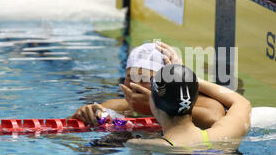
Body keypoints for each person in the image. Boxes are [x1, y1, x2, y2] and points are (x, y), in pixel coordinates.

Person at [126, 42, 251, 151]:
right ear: (195, 99)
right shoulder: (223, 133)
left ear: (152, 103)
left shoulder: (143, 145)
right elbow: (242, 102)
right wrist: (188, 78)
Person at [70, 42, 226, 129]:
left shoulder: (196, 103)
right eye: (129, 77)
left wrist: (154, 106)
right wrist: (81, 115)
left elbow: (216, 119)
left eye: (144, 78)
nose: (133, 85)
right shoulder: (117, 107)